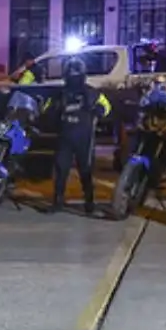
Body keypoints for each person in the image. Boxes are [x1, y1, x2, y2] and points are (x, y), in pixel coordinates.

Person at [45, 59, 111, 215]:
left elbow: (107, 106)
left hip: (85, 138)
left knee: (86, 170)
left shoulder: (91, 92)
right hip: (65, 138)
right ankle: (58, 202)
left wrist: (99, 110)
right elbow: (47, 109)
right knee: (61, 170)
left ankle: (89, 202)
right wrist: (53, 111)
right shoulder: (60, 93)